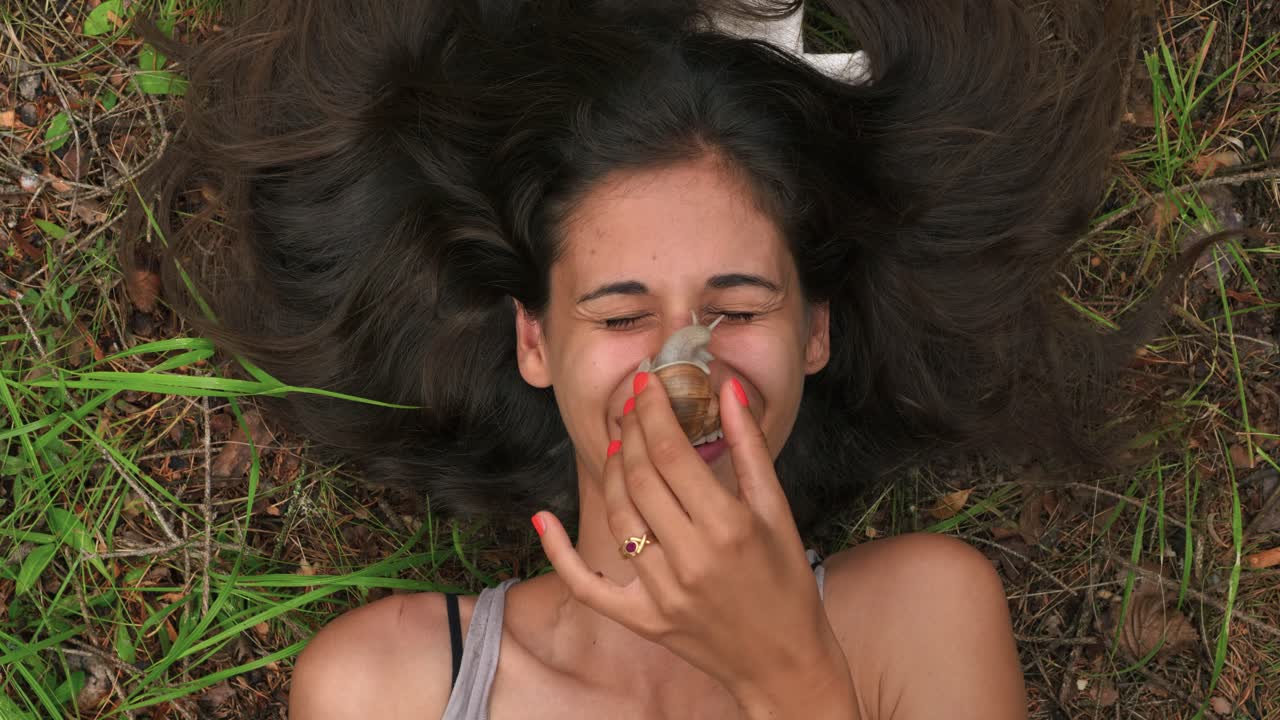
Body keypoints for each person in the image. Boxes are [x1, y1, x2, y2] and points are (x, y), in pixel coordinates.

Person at [124, 0, 1161, 717]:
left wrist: (790, 675)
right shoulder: (385, 689)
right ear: (534, 342)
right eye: (622, 316)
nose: (682, 369)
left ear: (815, 332)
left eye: (734, 307)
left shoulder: (921, 617)